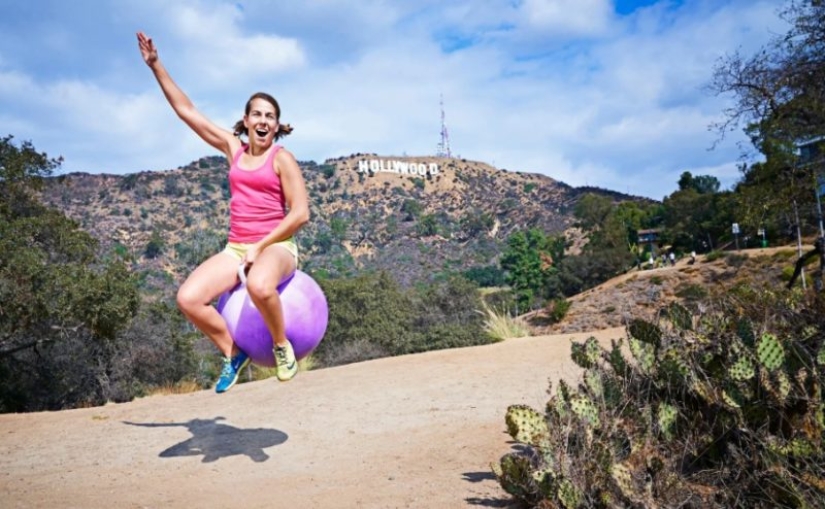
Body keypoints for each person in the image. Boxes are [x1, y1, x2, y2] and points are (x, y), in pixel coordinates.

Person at [137, 32, 310, 392]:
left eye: (271, 116)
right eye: (257, 114)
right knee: (188, 299)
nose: (263, 121)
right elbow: (187, 112)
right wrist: (156, 66)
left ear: (277, 126)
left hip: (278, 247)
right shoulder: (233, 149)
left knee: (261, 285)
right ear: (246, 121)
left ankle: (282, 347)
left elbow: (300, 214)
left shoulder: (283, 159)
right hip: (235, 248)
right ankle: (233, 352)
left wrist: (261, 246)